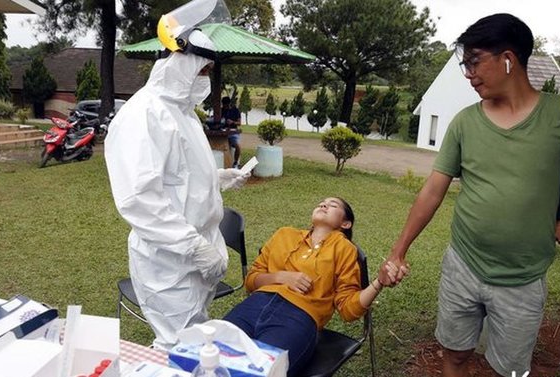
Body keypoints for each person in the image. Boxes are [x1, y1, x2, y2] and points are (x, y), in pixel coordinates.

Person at [379, 13, 560, 377]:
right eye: (465, 65)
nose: (468, 74)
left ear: (509, 58)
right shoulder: (465, 122)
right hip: (462, 266)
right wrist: (398, 250)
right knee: (455, 355)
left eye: (474, 62)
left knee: (507, 370)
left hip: (523, 280)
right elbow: (433, 190)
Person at [104, 30, 250, 349]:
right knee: (177, 345)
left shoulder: (183, 112)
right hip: (168, 261)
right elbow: (140, 199)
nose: (205, 79)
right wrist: (194, 248)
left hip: (198, 255)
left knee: (194, 338)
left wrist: (220, 177)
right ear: (179, 61)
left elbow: (183, 173)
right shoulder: (143, 114)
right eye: (203, 70)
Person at [223, 197, 405, 375]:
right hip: (253, 307)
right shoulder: (284, 235)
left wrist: (378, 283)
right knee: (207, 356)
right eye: (322, 203)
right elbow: (251, 280)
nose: (324, 204)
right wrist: (281, 276)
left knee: (259, 371)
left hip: (297, 318)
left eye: (333, 205)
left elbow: (348, 309)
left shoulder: (345, 250)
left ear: (346, 224)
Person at [221, 96, 242, 168]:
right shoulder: (221, 110)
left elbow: (239, 123)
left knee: (238, 146)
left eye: (226, 105)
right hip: (223, 131)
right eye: (224, 105)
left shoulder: (235, 110)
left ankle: (235, 162)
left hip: (233, 132)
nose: (225, 107)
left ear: (229, 104)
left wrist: (232, 122)